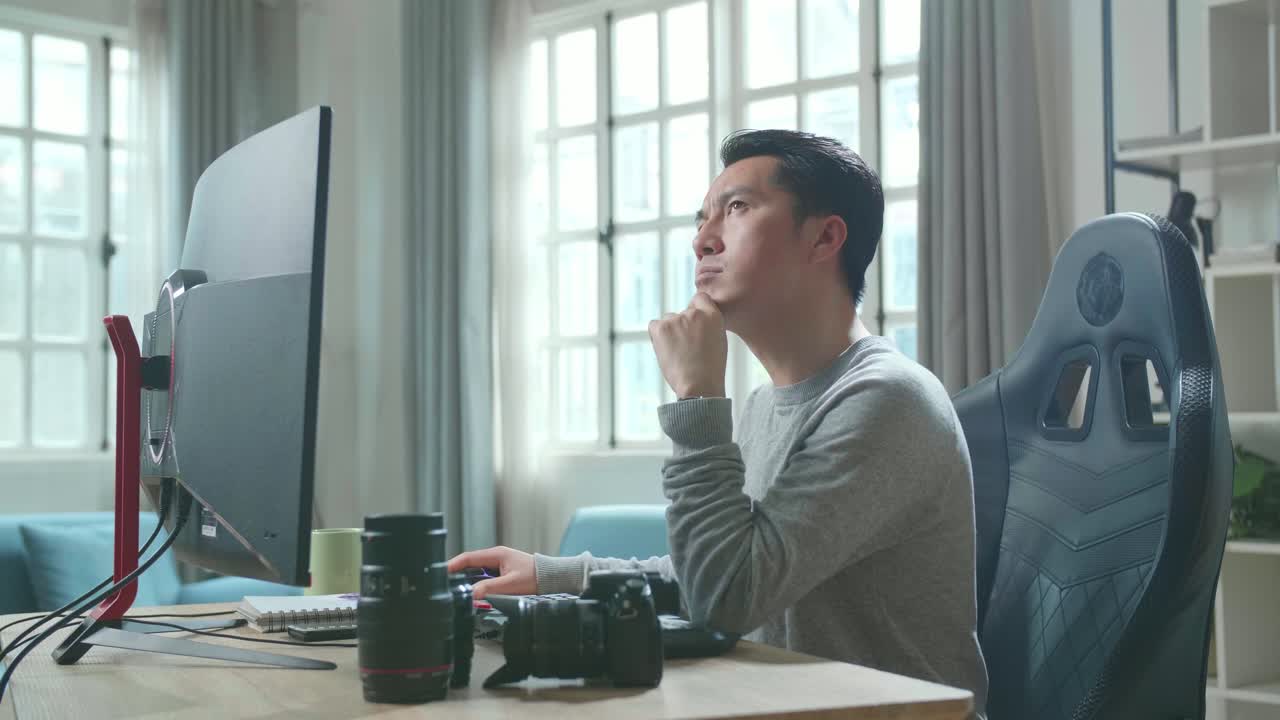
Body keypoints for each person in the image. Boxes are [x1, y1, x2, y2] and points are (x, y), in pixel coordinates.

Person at [449, 129, 988, 714]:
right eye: (701, 220)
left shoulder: (887, 400)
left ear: (825, 237)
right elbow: (707, 570)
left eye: (736, 209)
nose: (702, 241)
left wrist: (698, 398)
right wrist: (548, 575)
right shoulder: (763, 405)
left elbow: (725, 595)